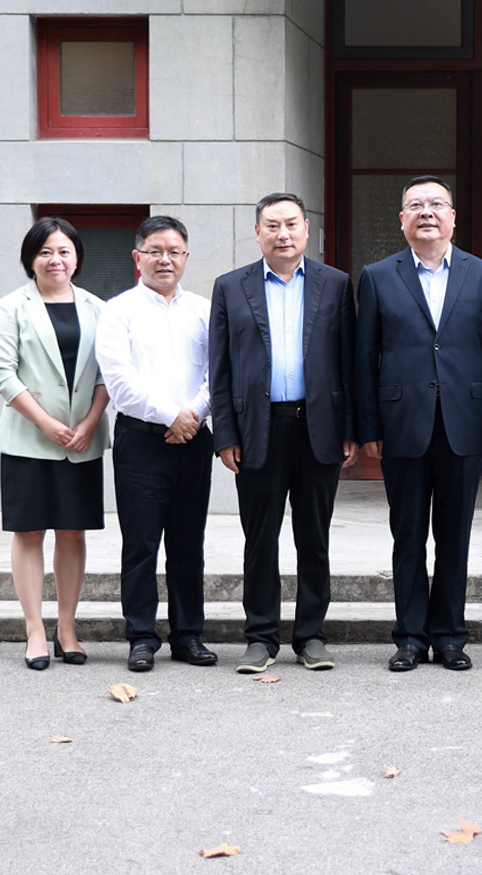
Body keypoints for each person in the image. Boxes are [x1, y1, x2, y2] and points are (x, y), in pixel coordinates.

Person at [355, 176, 482, 672]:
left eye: (437, 204)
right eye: (416, 205)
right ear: (402, 219)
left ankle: (449, 637)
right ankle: (409, 637)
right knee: (407, 537)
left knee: (453, 537)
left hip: (464, 423)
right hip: (401, 424)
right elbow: (364, 358)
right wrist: (367, 426)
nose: (427, 212)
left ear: (453, 218)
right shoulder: (378, 276)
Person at [208, 194, 356, 675]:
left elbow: (349, 362)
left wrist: (350, 428)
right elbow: (219, 367)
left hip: (318, 427)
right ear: (258, 232)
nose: (283, 234)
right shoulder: (231, 287)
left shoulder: (335, 284)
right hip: (257, 428)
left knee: (314, 539)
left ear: (307, 228)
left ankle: (311, 636)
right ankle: (260, 637)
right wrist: (224, 434)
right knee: (260, 540)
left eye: (291, 224)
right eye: (272, 225)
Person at [0, 217, 110, 671]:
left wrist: (89, 423)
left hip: (82, 440)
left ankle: (68, 627)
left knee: (73, 532)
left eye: (63, 252)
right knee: (29, 532)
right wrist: (45, 422)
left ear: (77, 258)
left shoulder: (99, 308)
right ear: (31, 259)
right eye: (45, 252)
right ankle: (35, 629)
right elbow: (2, 372)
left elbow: (108, 374)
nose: (55, 260)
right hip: (28, 439)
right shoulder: (12, 307)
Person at [95, 215, 217, 674]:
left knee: (188, 544)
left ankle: (188, 635)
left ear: (186, 256)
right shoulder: (118, 311)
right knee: (141, 544)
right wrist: (173, 416)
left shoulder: (204, 309)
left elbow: (218, 373)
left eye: (174, 252)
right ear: (137, 257)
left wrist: (194, 415)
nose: (165, 260)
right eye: (155, 251)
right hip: (140, 442)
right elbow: (120, 382)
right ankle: (142, 637)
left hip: (194, 441)